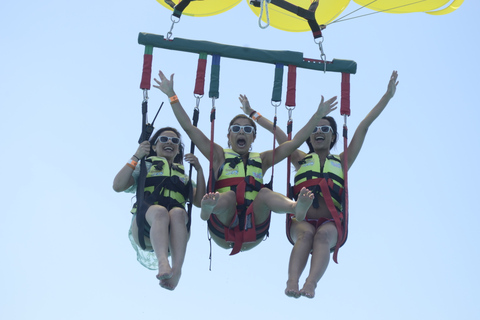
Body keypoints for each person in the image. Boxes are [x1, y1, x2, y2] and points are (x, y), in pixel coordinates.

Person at [242, 71, 399, 298]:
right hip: (302, 219)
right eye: (315, 129)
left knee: (323, 237)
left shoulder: (343, 161)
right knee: (306, 236)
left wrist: (387, 97)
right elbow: (277, 132)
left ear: (333, 137)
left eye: (325, 129)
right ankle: (292, 281)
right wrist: (251, 113)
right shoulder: (299, 158)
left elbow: (364, 126)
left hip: (331, 221)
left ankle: (311, 283)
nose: (319, 132)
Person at [153, 70, 338, 255]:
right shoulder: (218, 154)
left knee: (265, 192)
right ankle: (207, 209)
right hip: (221, 225)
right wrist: (172, 95)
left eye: (247, 129)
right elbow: (188, 128)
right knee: (229, 196)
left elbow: (294, 143)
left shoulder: (263, 160)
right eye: (236, 129)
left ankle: (294, 207)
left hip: (255, 227)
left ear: (253, 137)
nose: (241, 132)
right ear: (229, 136)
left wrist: (317, 116)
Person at [113, 127, 205, 290]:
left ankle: (177, 270)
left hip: (173, 237)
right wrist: (136, 156)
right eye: (164, 139)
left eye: (174, 141)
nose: (169, 142)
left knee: (178, 212)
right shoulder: (145, 167)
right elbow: (118, 185)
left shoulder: (183, 176)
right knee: (160, 212)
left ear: (177, 150)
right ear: (154, 147)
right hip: (144, 229)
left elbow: (199, 202)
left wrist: (199, 170)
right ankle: (163, 262)